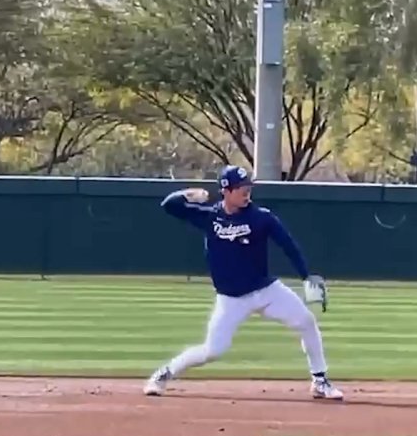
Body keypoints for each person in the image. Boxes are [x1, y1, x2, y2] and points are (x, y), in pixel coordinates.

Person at [143, 165, 344, 400]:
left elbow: (288, 246)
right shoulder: (209, 217)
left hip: (266, 291)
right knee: (212, 351)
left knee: (307, 322)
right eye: (240, 188)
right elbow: (169, 205)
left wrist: (306, 275)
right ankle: (163, 374)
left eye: (248, 187)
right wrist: (193, 193)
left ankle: (320, 380)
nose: (246, 192)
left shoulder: (261, 218)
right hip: (231, 299)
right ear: (226, 191)